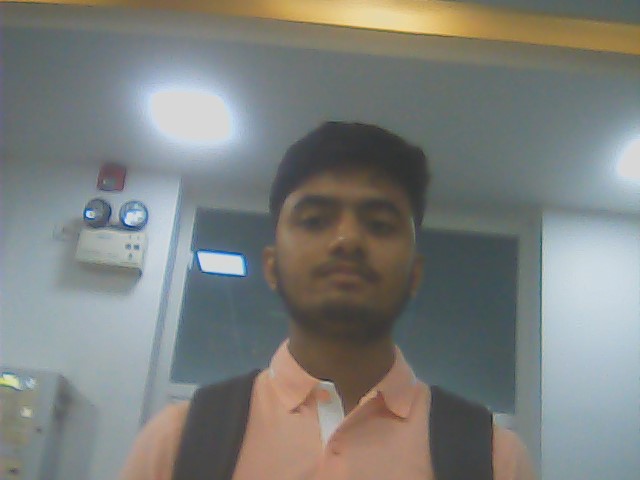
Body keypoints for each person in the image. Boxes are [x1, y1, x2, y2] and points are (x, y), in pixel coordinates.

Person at [118, 122, 536, 479]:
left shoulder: (493, 459)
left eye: (379, 224)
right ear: (271, 266)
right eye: (315, 220)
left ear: (415, 274)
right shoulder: (177, 442)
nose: (347, 240)